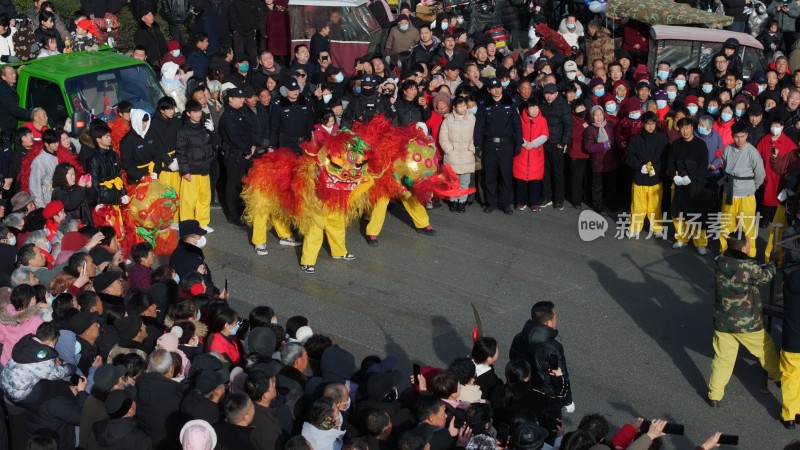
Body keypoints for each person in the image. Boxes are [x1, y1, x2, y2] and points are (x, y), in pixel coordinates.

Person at [707, 235, 781, 408]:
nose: (750, 246)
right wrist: (773, 262)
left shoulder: (720, 261)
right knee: (766, 348)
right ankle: (778, 377)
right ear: (743, 249)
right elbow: (765, 276)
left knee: (722, 359)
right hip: (746, 323)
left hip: (723, 321)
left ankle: (714, 395)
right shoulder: (748, 267)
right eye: (748, 244)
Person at [508, 301, 572, 410]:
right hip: (546, 398)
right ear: (548, 322)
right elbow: (561, 374)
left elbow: (512, 358)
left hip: (522, 391)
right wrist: (568, 401)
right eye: (555, 316)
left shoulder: (518, 337)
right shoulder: (553, 347)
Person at [474, 78, 522, 215]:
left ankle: (505, 203)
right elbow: (479, 127)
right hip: (489, 145)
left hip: (506, 145)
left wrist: (519, 143)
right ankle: (491, 202)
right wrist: (478, 145)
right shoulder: (484, 105)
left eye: (499, 87)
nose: (497, 90)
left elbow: (517, 125)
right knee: (490, 176)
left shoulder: (511, 103)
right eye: (493, 88)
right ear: (489, 90)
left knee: (506, 176)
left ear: (502, 88)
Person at [718, 122, 766, 258]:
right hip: (729, 193)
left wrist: (752, 188)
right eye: (737, 137)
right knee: (726, 225)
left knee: (747, 227)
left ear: (747, 135)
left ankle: (749, 256)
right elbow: (725, 167)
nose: (740, 139)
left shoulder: (753, 153)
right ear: (732, 136)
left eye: (742, 136)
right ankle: (725, 253)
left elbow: (760, 175)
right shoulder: (727, 150)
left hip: (746, 195)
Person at [669, 118, 712, 254]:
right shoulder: (676, 144)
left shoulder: (700, 144)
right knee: (679, 212)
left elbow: (704, 163)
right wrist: (674, 176)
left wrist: (692, 178)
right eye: (682, 128)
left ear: (692, 127)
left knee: (697, 213)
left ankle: (700, 242)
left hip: (696, 183)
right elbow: (670, 162)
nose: (685, 131)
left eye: (687, 127)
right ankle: (681, 238)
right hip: (680, 181)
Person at [625, 111, 668, 238]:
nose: (650, 126)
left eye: (653, 123)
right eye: (648, 124)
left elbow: (666, 157)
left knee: (655, 205)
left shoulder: (662, 138)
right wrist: (640, 166)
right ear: (643, 125)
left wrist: (658, 168)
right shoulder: (636, 139)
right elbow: (628, 156)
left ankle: (657, 228)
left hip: (656, 178)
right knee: (637, 205)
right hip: (640, 177)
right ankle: (634, 228)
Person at [176, 99, 216, 232]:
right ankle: (187, 227)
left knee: (204, 198)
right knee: (188, 201)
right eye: (195, 112)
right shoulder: (183, 131)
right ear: (188, 113)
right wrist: (185, 170)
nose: (198, 114)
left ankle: (203, 223)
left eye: (199, 111)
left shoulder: (205, 126)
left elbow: (215, 143)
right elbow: (181, 152)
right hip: (192, 170)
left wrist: (212, 131)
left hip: (205, 168)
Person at [219, 87, 254, 225]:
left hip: (244, 153)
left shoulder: (241, 112)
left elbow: (248, 131)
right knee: (233, 185)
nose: (242, 100)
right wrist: (246, 150)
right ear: (230, 100)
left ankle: (242, 211)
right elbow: (234, 137)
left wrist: (251, 147)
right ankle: (233, 215)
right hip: (235, 155)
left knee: (243, 185)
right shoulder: (228, 116)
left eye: (242, 97)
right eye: (238, 98)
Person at [439, 96, 476, 213]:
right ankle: (453, 201)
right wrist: (449, 150)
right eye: (460, 106)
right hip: (452, 155)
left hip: (467, 154)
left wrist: (471, 149)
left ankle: (462, 202)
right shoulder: (448, 120)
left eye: (464, 106)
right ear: (454, 107)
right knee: (453, 182)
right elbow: (443, 137)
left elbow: (476, 136)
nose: (463, 108)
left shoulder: (472, 118)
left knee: (465, 181)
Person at [539, 83, 572, 210]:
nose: (548, 96)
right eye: (546, 93)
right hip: (543, 143)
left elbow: (568, 127)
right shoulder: (541, 104)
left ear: (557, 94)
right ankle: (547, 196)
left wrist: (563, 142)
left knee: (558, 173)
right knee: (545, 172)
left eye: (551, 93)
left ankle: (559, 199)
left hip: (556, 143)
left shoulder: (563, 106)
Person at [513, 99, 548, 212]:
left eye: (536, 108)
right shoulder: (519, 120)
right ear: (526, 109)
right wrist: (524, 143)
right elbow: (515, 132)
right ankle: (521, 202)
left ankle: (535, 203)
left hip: (535, 153)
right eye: (531, 108)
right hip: (521, 153)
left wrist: (532, 144)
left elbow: (545, 135)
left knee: (535, 181)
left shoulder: (542, 120)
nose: (534, 110)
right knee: (520, 180)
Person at [268, 78, 313, 154]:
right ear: (285, 90)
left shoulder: (306, 101)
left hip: (304, 142)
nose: (295, 92)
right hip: (286, 143)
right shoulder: (278, 105)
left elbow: (310, 122)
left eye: (297, 89)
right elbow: (274, 127)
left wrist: (312, 139)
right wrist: (272, 145)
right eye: (292, 90)